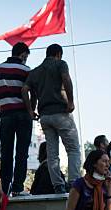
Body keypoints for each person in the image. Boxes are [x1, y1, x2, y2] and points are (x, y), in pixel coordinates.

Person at [22, 43, 81, 194]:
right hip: (61, 113)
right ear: (58, 54)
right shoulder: (61, 64)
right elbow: (66, 79)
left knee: (52, 153)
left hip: (45, 116)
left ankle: (58, 185)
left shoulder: (35, 72)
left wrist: (30, 110)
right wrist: (71, 101)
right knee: (73, 149)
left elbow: (24, 90)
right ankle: (74, 182)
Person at [0, 41, 32, 196]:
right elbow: (29, 93)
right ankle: (18, 187)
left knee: (6, 152)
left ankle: (5, 188)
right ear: (22, 54)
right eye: (25, 57)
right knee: (22, 151)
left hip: (6, 115)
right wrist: (31, 111)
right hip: (23, 115)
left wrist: (1, 110)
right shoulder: (26, 70)